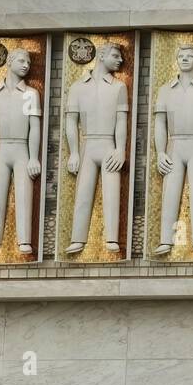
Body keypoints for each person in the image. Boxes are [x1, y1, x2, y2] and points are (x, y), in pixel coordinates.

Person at [63, 42, 128, 255]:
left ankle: (111, 238)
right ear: (101, 55)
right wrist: (73, 151)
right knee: (83, 193)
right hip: (87, 144)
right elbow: (71, 121)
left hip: (109, 143)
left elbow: (121, 121)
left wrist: (120, 149)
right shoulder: (77, 87)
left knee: (111, 192)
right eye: (116, 55)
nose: (120, 60)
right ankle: (78, 238)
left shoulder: (119, 87)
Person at [152, 44, 193, 256]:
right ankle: (166, 240)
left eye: (190, 55)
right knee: (170, 191)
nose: (185, 59)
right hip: (174, 144)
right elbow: (160, 123)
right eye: (181, 55)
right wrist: (160, 152)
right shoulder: (165, 90)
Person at [0, 47, 41, 256]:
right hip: (1, 148)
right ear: (10, 62)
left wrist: (33, 157)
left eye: (29, 63)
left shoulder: (30, 94)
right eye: (22, 61)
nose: (26, 65)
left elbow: (34, 128)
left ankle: (24, 240)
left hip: (22, 147)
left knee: (24, 193)